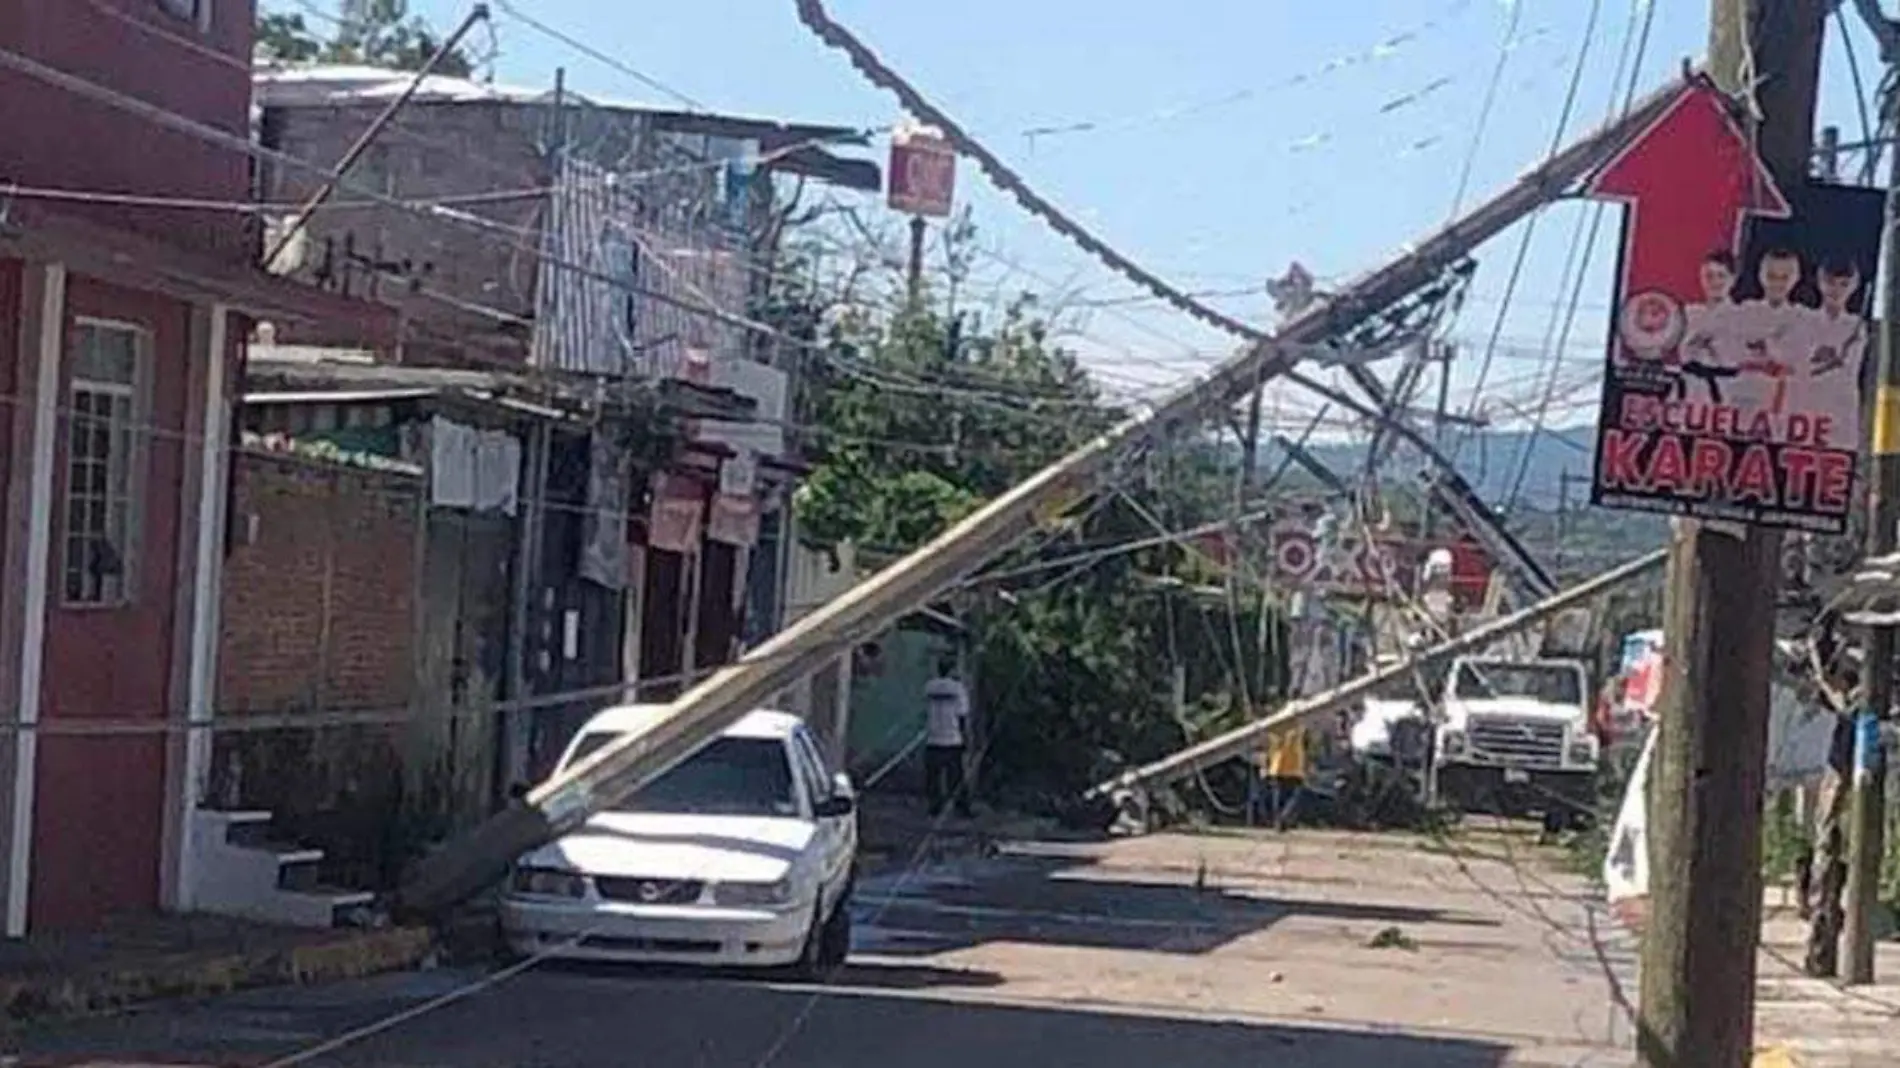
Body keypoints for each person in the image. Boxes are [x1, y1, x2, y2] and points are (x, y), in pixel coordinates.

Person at [1734, 247, 1807, 421]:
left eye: (1784, 278)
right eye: (1771, 277)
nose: (1777, 284)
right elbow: (1734, 349)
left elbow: (1798, 359)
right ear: (1761, 275)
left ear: (1795, 278)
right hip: (1742, 388)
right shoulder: (1746, 310)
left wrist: (1767, 345)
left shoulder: (1801, 316)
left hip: (1783, 396)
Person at [1804, 255, 1869, 448]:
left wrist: (1827, 358)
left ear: (1854, 286)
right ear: (1820, 282)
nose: (1836, 290)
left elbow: (1846, 365)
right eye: (1831, 283)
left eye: (1844, 284)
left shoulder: (1857, 326)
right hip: (1807, 406)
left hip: (1841, 409)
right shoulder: (1804, 320)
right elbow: (1801, 363)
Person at [1677, 249, 1744, 404]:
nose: (1714, 282)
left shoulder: (1741, 316)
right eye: (1709, 276)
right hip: (1687, 388)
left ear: (1733, 279)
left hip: (1724, 391)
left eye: (1721, 276)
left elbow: (1732, 357)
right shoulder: (1688, 313)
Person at [922, 657, 973, 819]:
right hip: (952, 738)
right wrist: (966, 738)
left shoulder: (929, 687)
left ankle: (934, 807)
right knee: (956, 777)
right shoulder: (958, 688)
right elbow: (962, 716)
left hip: (933, 737)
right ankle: (961, 807)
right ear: (952, 670)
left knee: (933, 777)